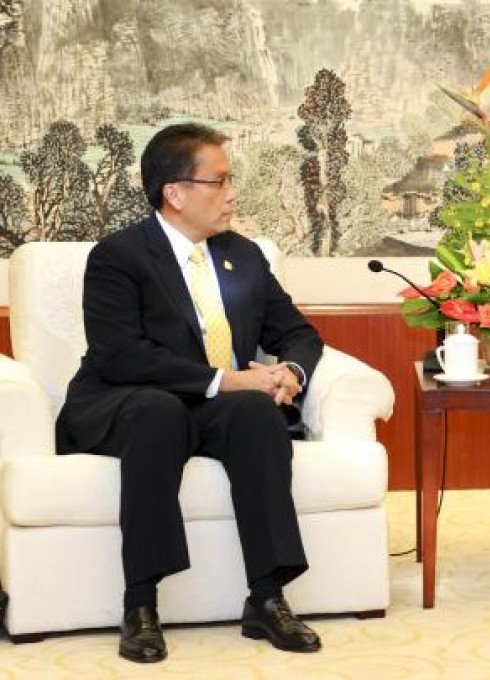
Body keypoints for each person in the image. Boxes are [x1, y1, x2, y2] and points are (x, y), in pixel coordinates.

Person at [55, 123, 324, 662]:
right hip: (125, 400)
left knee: (255, 413)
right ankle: (140, 605)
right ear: (174, 193)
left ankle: (267, 597)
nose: (231, 194)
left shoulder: (242, 255)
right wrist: (230, 378)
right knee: (159, 411)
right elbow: (122, 355)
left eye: (231, 181)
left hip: (204, 408)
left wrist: (289, 371)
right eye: (218, 181)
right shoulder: (119, 257)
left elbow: (296, 331)